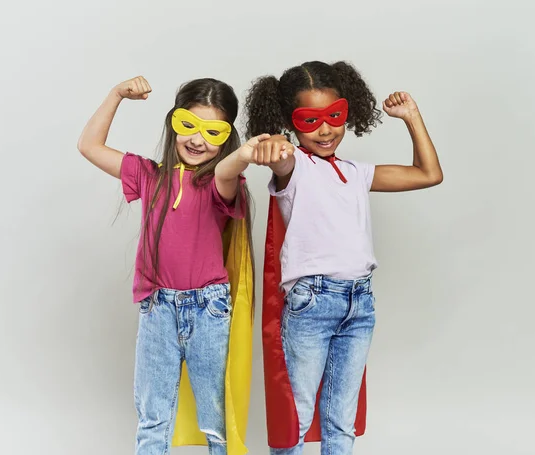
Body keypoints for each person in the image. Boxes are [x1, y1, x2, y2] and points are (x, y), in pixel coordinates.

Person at [245, 60, 443, 455]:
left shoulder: (356, 172)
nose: (325, 129)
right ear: (290, 120)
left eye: (335, 116)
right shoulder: (294, 166)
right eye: (309, 119)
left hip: (360, 303)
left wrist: (412, 117)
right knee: (296, 420)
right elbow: (280, 157)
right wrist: (274, 145)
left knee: (341, 421)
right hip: (312, 303)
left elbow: (428, 174)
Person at [77, 75, 264, 455]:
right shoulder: (148, 175)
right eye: (188, 126)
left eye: (213, 132)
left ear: (227, 138)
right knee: (153, 417)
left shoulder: (220, 182)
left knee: (216, 419)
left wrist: (243, 155)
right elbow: (89, 146)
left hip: (209, 310)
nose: (198, 140)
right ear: (172, 122)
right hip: (157, 308)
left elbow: (228, 172)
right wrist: (115, 95)